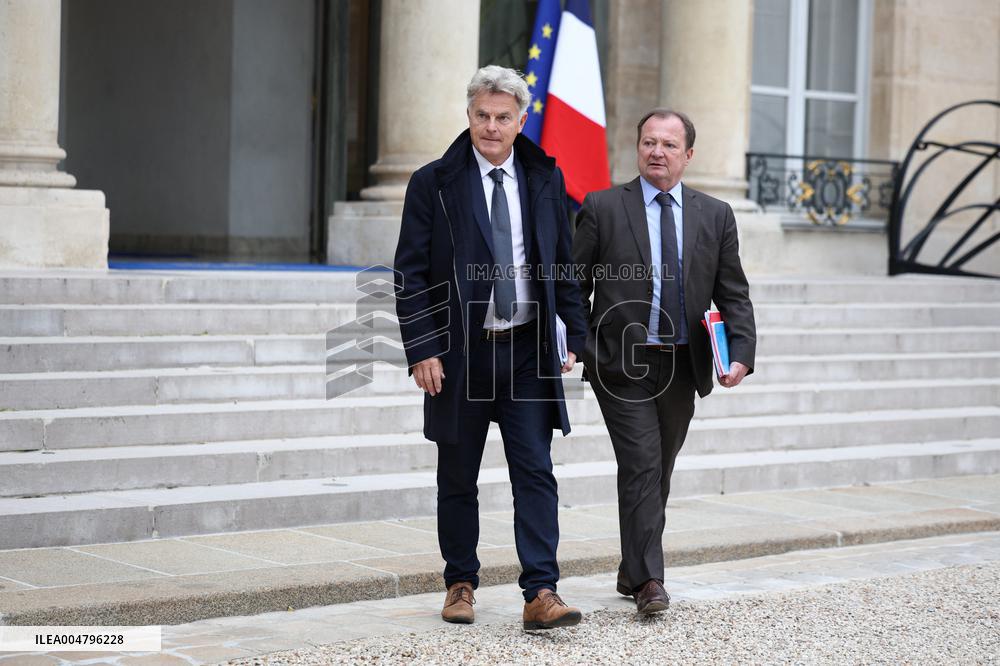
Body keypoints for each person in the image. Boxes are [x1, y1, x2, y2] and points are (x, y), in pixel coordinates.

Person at [393, 65, 588, 630]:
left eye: (504, 117)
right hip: (460, 356)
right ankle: (460, 582)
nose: (492, 126)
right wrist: (423, 347)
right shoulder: (433, 182)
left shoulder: (545, 179)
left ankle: (541, 591)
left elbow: (562, 265)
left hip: (526, 352)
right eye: (482, 115)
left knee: (535, 471)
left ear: (522, 121)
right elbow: (409, 273)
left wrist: (573, 332)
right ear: (469, 115)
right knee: (458, 474)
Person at [572, 108, 757, 614]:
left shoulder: (715, 214)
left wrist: (740, 352)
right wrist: (583, 345)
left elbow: (733, 293)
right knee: (641, 465)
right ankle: (650, 582)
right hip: (621, 363)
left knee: (660, 470)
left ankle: (633, 566)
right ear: (637, 149)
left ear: (688, 155)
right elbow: (573, 284)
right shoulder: (603, 206)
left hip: (683, 364)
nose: (657, 152)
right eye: (649, 142)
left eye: (669, 145)